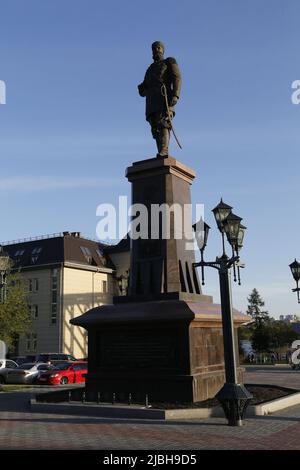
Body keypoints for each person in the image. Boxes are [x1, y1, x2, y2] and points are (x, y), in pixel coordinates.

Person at [138, 41, 182, 158]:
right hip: (152, 102)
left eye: (158, 48)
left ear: (163, 50)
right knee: (155, 129)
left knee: (163, 124)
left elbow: (177, 77)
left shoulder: (169, 61)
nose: (156, 50)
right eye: (154, 49)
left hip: (164, 98)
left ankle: (164, 150)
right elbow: (145, 86)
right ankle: (160, 152)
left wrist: (175, 95)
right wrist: (141, 88)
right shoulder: (150, 69)